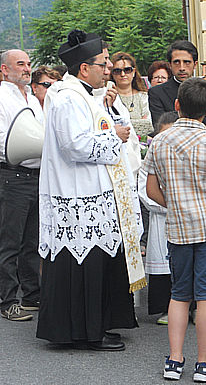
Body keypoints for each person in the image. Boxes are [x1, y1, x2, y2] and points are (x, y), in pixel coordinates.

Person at [37, 30, 144, 351]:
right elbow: (74, 145)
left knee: (97, 262)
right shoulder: (67, 96)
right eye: (103, 62)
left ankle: (97, 325)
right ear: (84, 68)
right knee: (83, 263)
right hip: (77, 196)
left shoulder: (86, 95)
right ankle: (85, 333)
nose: (109, 67)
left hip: (94, 193)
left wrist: (114, 125)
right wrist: (117, 137)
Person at [144, 77, 206, 381]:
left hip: (177, 228)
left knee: (179, 293)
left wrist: (174, 205)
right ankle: (203, 363)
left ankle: (174, 360)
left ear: (176, 105)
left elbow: (150, 189)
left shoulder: (159, 141)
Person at [0, 49, 43, 321]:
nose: (27, 68)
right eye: (20, 64)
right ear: (4, 70)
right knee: (10, 243)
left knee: (32, 242)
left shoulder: (33, 99)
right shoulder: (2, 97)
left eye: (28, 64)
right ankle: (7, 301)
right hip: (12, 176)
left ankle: (31, 295)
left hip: (34, 177)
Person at [138, 111, 178, 325]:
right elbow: (145, 190)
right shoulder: (151, 158)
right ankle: (164, 307)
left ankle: (193, 307)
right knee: (164, 263)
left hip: (187, 220)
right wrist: (168, 206)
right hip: (161, 219)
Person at [148, 40, 206, 133]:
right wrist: (201, 118)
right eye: (176, 62)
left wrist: (176, 118)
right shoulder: (157, 92)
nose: (182, 67)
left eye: (187, 62)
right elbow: (161, 125)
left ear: (195, 64)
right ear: (170, 65)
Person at [110, 52, 153, 137]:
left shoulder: (143, 96)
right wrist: (139, 122)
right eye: (117, 71)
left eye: (127, 70)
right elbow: (109, 127)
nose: (123, 74)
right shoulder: (110, 97)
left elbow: (149, 126)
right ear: (112, 74)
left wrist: (121, 125)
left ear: (133, 72)